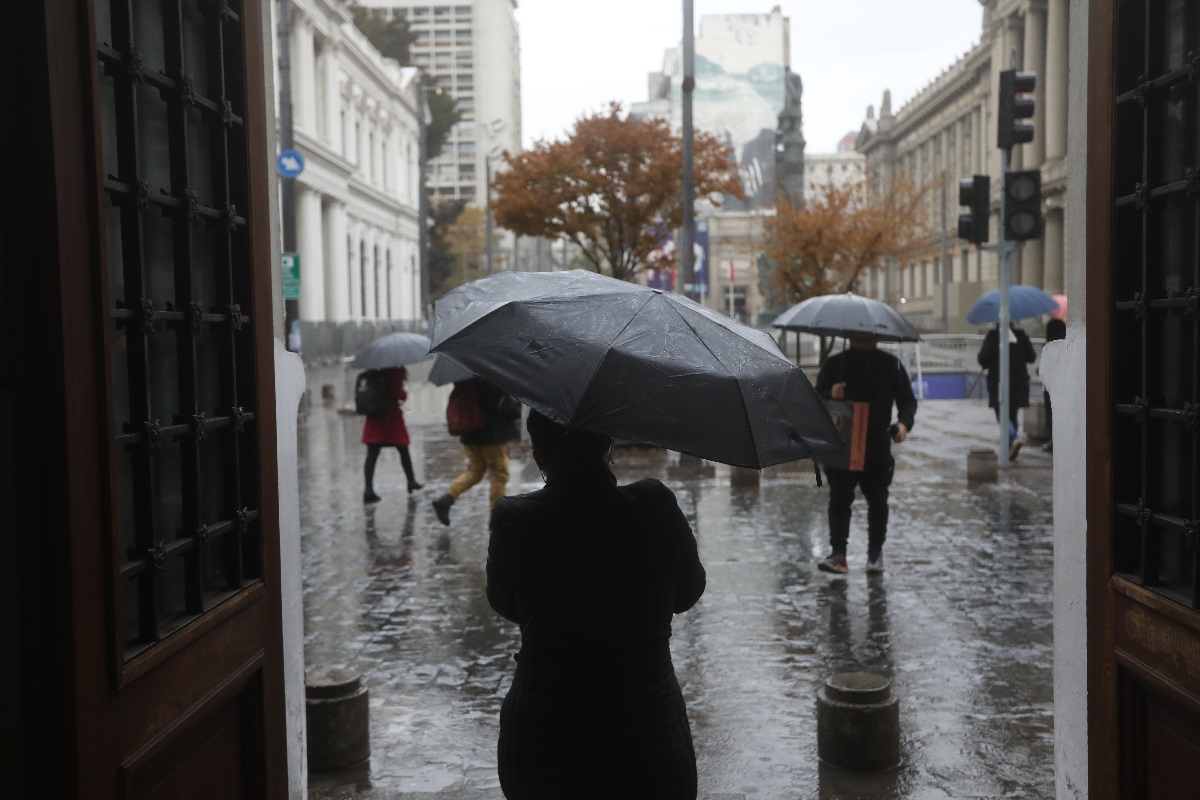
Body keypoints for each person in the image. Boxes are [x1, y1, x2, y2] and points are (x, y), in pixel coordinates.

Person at [485, 410, 706, 799]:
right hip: (647, 732)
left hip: (543, 739)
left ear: (539, 457)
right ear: (607, 441)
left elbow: (505, 602)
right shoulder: (655, 506)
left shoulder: (514, 520)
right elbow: (688, 591)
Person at [814, 331, 917, 575]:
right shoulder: (835, 364)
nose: (862, 341)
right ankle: (838, 553)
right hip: (842, 444)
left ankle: (875, 553)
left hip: (877, 443)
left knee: (878, 500)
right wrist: (831, 394)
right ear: (849, 335)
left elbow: (907, 400)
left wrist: (903, 424)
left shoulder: (890, 364)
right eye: (857, 336)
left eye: (867, 336)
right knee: (839, 498)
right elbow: (816, 399)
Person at [431, 377, 520, 525]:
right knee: (500, 473)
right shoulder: (488, 375)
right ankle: (496, 517)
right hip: (491, 434)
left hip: (471, 433)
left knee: (475, 470)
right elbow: (504, 406)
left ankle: (446, 499)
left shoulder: (464, 376)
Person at [977, 321, 1038, 460]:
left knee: (1002, 414)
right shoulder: (1021, 336)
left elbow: (982, 359)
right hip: (1018, 383)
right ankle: (1011, 447)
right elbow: (1032, 357)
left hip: (999, 383)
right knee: (1012, 414)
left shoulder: (993, 337)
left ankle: (1013, 438)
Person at [361, 367, 422, 503]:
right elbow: (397, 393)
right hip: (390, 417)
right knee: (403, 448)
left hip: (374, 416)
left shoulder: (373, 370)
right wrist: (404, 394)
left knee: (372, 453)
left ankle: (368, 489)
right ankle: (411, 481)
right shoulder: (394, 369)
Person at [1041, 318, 1066, 452]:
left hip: (1050, 388)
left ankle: (1053, 441)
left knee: (1051, 414)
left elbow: (1045, 369)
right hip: (1063, 388)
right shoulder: (1067, 346)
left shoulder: (1049, 347)